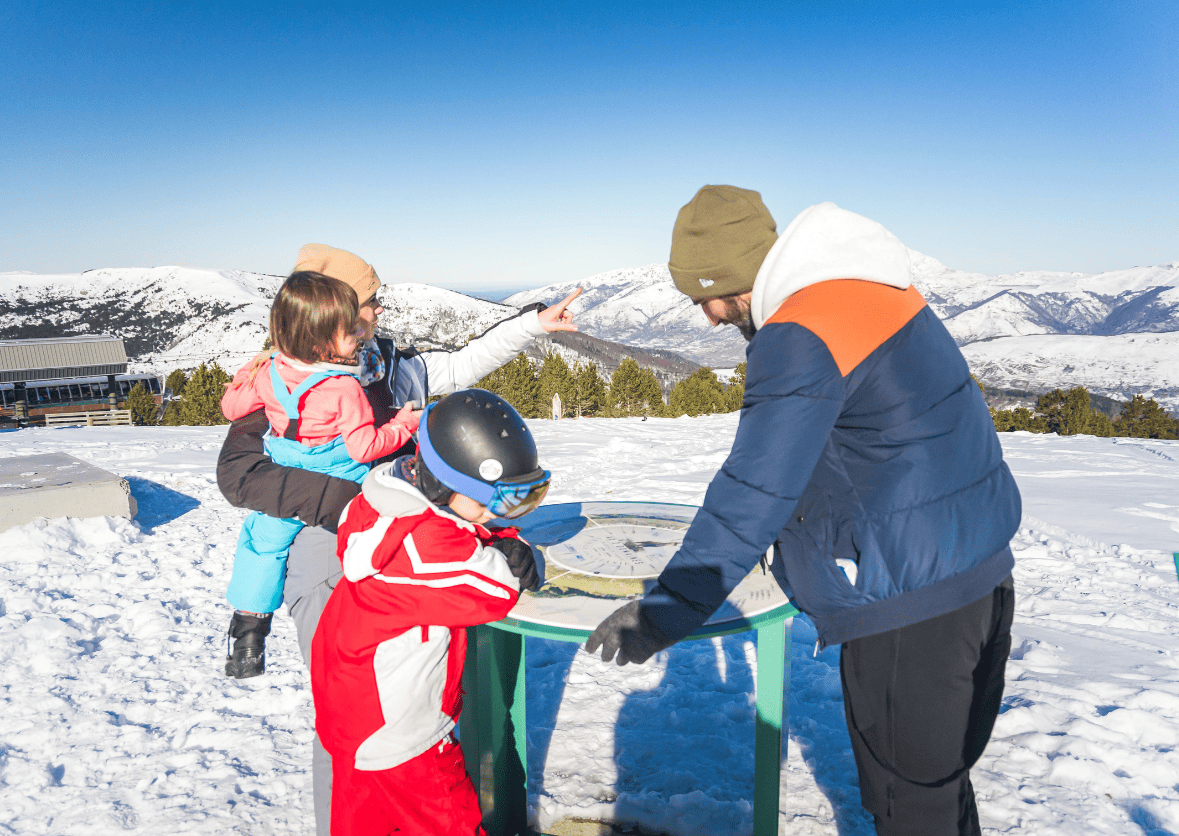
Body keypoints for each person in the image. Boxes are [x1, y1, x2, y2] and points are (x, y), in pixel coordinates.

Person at [586, 186, 1020, 836]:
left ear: (729, 279)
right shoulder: (871, 288)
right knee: (938, 791)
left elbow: (752, 491)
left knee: (909, 807)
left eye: (704, 298)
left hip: (910, 604)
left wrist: (665, 611)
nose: (708, 319)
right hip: (979, 574)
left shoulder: (800, 334)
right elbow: (875, 443)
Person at [216, 242, 579, 835]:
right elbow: (239, 474)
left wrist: (530, 327)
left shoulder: (383, 360)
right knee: (356, 716)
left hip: (411, 534)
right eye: (370, 301)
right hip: (331, 549)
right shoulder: (287, 377)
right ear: (333, 311)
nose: (380, 310)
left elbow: (458, 366)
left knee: (417, 691)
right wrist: (356, 505)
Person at [313, 389, 546, 835]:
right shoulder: (426, 547)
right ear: (444, 487)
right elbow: (498, 587)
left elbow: (460, 530)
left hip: (353, 713)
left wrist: (490, 535)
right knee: (450, 823)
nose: (493, 515)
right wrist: (514, 548)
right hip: (401, 734)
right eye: (488, 502)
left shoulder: (386, 501)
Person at [220, 271, 422, 678]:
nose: (358, 339)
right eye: (349, 334)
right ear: (320, 343)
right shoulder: (344, 389)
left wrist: (247, 374)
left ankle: (248, 637)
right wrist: (404, 423)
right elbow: (364, 447)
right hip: (343, 481)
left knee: (261, 545)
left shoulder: (269, 372)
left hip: (286, 480)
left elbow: (232, 408)